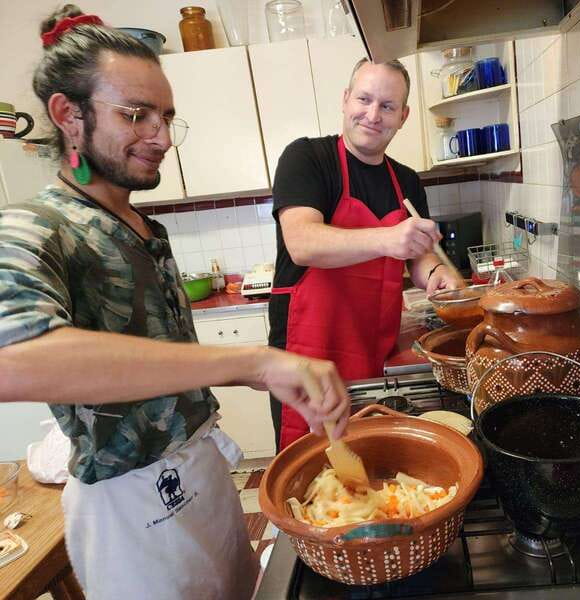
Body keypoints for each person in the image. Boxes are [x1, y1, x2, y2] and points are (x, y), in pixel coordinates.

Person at [0, 6, 350, 599]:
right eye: (136, 115)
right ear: (69, 115)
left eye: (165, 117)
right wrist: (253, 361)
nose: (161, 137)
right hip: (129, 507)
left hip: (203, 476)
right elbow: (11, 358)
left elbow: (161, 364)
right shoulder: (34, 226)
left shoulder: (141, 226)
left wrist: (264, 378)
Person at [268, 57, 463, 450]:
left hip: (373, 349)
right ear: (345, 100)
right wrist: (386, 238)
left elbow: (419, 255)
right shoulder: (307, 158)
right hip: (310, 353)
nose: (373, 115)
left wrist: (434, 275)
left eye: (387, 106)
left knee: (368, 456)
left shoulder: (406, 180)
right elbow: (303, 242)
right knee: (314, 466)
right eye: (364, 99)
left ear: (403, 116)